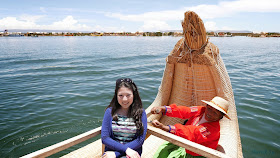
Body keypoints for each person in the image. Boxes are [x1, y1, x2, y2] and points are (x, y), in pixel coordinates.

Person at [150, 96, 231, 158]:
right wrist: (163, 109)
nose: (209, 113)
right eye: (209, 109)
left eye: (215, 113)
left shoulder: (213, 129)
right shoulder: (201, 110)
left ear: (221, 117)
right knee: (162, 150)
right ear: (206, 106)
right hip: (183, 140)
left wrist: (165, 127)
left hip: (195, 153)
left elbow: (193, 133)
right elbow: (185, 111)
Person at [101, 78, 147, 158]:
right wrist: (126, 150)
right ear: (116, 95)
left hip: (132, 154)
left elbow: (140, 140)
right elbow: (105, 138)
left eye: (128, 95)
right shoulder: (110, 112)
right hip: (111, 153)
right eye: (121, 95)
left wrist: (117, 153)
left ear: (134, 94)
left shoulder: (141, 113)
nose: (124, 99)